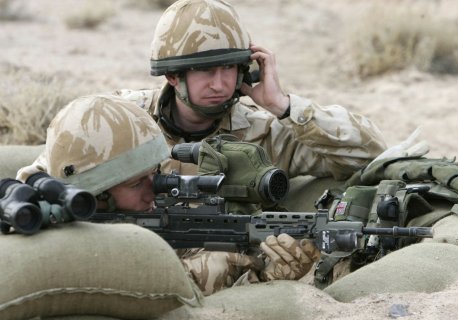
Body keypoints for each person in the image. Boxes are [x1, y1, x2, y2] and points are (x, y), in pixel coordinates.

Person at [31, 93, 321, 295]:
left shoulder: (156, 219)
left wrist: (268, 277)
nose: (153, 192)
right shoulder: (54, 241)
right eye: (135, 184)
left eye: (154, 175)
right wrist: (197, 276)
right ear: (94, 197)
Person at [113, 0, 387, 179]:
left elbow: (370, 153)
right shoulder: (124, 119)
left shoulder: (264, 135)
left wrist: (284, 106)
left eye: (229, 69)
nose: (220, 84)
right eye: (206, 71)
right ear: (173, 75)